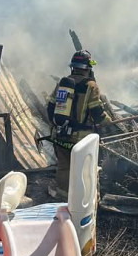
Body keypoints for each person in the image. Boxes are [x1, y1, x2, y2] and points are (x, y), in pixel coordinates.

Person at [47, 50, 111, 198]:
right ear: (88, 68)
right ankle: (81, 198)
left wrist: (55, 125)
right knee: (83, 168)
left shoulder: (63, 84)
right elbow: (96, 111)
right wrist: (107, 121)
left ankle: (63, 197)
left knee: (64, 167)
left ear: (73, 67)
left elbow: (50, 107)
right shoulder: (91, 86)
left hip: (61, 135)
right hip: (81, 139)